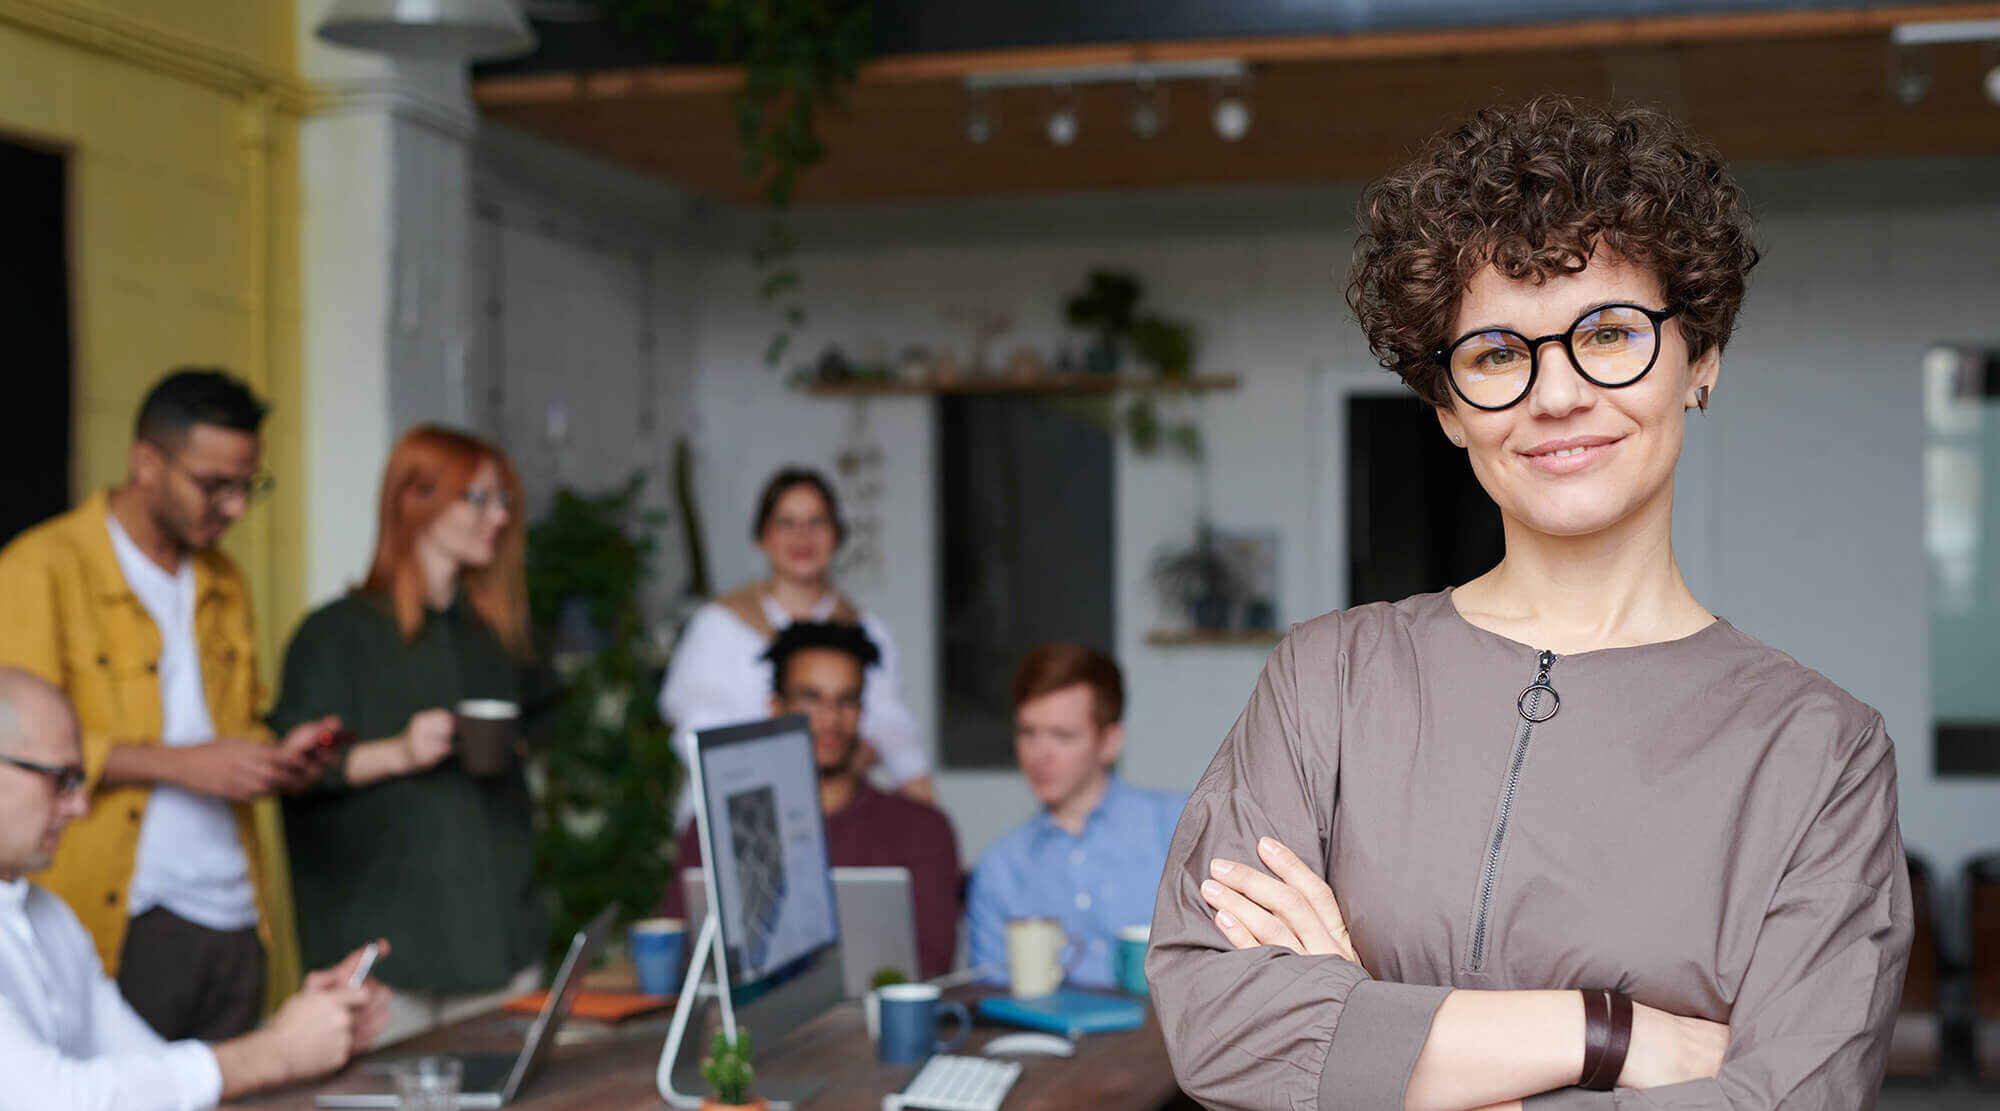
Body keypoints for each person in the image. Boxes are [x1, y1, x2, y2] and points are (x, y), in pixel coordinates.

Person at [1147, 98, 1912, 1111]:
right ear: (1449, 409)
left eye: (1606, 332)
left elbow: (1789, 1100)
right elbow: (1218, 1023)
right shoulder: (1326, 680)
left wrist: (1362, 1035)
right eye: (1499, 353)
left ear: (1700, 358)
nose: (1554, 395)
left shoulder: (1819, 752)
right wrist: (1608, 1035)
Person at [0, 368, 336, 1042]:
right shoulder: (41, 567)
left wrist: (276, 760)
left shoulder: (225, 580)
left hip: (237, 910)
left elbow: (233, 723)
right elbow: (18, 749)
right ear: (145, 463)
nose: (236, 507)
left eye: (249, 486)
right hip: (125, 914)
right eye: (216, 485)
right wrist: (186, 766)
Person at [268, 424, 551, 1045]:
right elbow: (294, 767)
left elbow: (543, 720)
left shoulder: (498, 634)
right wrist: (399, 751)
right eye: (476, 498)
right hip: (389, 952)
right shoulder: (334, 635)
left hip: (501, 935)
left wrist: (513, 745)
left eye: (503, 500)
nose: (498, 516)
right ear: (413, 500)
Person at [0, 666, 390, 1111]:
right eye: (61, 779)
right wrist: (276, 1053)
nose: (80, 804)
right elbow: (52, 1101)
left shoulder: (51, 917)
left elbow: (151, 1070)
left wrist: (307, 1036)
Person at [663, 621, 960, 979]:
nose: (830, 718)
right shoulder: (714, 827)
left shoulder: (922, 829)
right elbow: (678, 960)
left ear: (861, 712)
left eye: (846, 700)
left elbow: (930, 967)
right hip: (751, 1027)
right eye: (811, 698)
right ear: (776, 707)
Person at [660, 467, 931, 809]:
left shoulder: (863, 631)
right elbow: (695, 733)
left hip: (832, 813)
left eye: (816, 522)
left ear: (836, 535)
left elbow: (891, 728)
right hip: (731, 806)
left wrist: (917, 791)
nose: (802, 536)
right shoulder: (719, 624)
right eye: (785, 523)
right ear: (763, 538)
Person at [965, 644, 1186, 989]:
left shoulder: (1179, 827)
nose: (1038, 754)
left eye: (1062, 736)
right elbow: (992, 1004)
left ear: (1109, 742)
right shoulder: (1000, 867)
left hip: (1169, 1041)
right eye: (1028, 732)